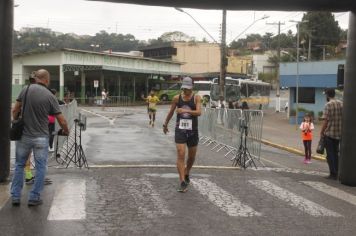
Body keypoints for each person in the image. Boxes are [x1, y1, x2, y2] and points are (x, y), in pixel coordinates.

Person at [11, 69, 70, 207]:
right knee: (41, 167)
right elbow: (61, 120)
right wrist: (66, 131)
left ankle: (15, 197)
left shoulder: (25, 90)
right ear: (46, 80)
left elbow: (15, 110)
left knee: (19, 165)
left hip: (24, 135)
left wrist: (16, 120)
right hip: (41, 137)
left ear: (36, 78)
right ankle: (34, 197)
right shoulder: (50, 96)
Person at [163, 77, 201, 193]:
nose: (186, 91)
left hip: (192, 131)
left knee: (191, 157)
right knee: (181, 153)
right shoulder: (176, 98)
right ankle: (182, 181)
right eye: (184, 88)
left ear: (191, 87)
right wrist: (165, 124)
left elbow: (199, 112)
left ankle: (187, 171)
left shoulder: (196, 98)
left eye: (188, 89)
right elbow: (170, 112)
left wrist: (185, 111)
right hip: (180, 130)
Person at [320, 88, 343, 180]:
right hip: (339, 133)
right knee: (336, 153)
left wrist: (322, 132)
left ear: (327, 95)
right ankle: (337, 172)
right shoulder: (341, 103)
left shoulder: (328, 105)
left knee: (330, 154)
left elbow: (326, 120)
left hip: (329, 133)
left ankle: (333, 174)